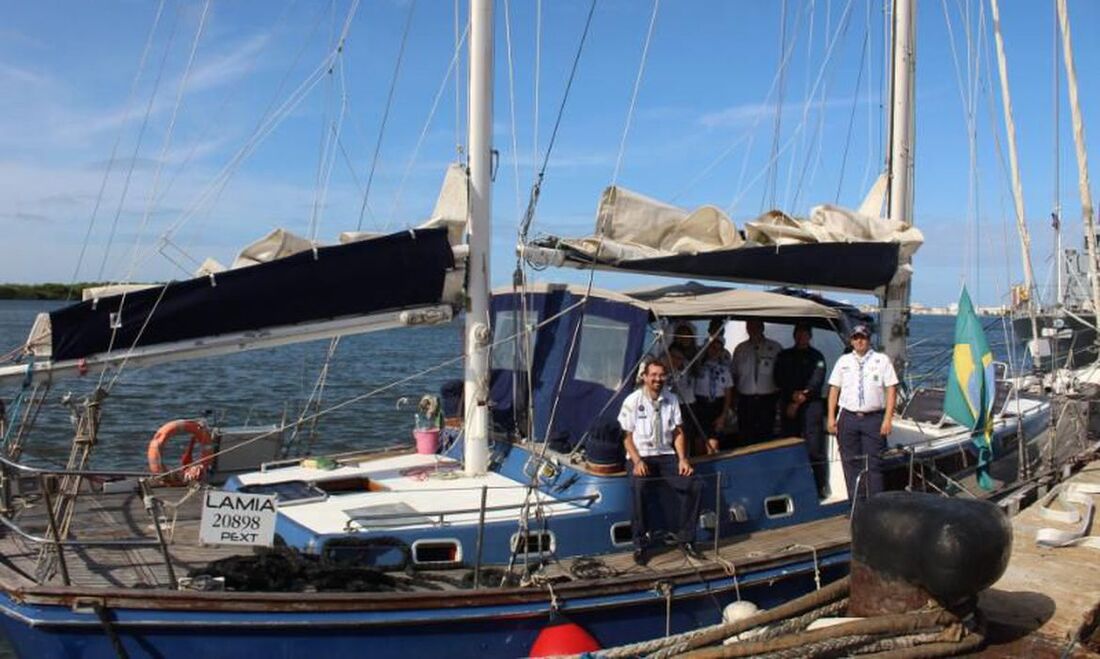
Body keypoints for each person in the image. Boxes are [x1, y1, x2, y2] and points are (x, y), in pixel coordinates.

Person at [619, 359, 703, 566]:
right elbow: (626, 437)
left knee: (695, 484)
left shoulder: (671, 399)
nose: (658, 379)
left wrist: (682, 459)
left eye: (661, 375)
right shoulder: (633, 400)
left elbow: (678, 431)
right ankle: (640, 543)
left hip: (665, 455)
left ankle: (687, 539)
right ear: (645, 377)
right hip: (641, 455)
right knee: (638, 487)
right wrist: (637, 461)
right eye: (653, 375)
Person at [826, 324, 898, 500]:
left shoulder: (882, 360)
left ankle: (876, 506)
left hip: (873, 419)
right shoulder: (843, 361)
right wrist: (831, 418)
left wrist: (888, 419)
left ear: (869, 339)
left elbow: (891, 389)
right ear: (851, 340)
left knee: (874, 464)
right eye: (856, 337)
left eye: (863, 337)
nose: (859, 341)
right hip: (848, 418)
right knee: (850, 464)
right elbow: (834, 390)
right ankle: (857, 507)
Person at [774, 323, 829, 496]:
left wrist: (799, 400)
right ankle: (792, 485)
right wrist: (792, 396)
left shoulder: (817, 356)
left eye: (805, 334)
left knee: (814, 448)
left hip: (811, 405)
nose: (801, 337)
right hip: (788, 403)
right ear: (794, 335)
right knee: (790, 445)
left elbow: (817, 380)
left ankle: (820, 485)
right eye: (798, 333)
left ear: (810, 336)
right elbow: (778, 378)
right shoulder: (784, 355)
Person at [730, 319, 782, 443]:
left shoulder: (775, 347)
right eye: (750, 326)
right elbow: (734, 375)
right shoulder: (740, 348)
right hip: (745, 400)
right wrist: (733, 400)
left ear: (762, 327)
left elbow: (782, 373)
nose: (753, 329)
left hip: (767, 399)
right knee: (745, 434)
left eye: (756, 326)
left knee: (766, 434)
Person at [692, 335, 733, 454]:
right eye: (711, 347)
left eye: (718, 348)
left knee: (713, 442)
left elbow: (728, 394)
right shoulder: (697, 367)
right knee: (699, 440)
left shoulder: (725, 370)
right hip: (700, 405)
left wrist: (723, 415)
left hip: (717, 406)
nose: (714, 351)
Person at [664, 345, 706, 455]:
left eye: (679, 358)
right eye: (673, 357)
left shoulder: (687, 367)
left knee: (687, 435)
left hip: (687, 404)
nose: (676, 361)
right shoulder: (662, 370)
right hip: (669, 406)